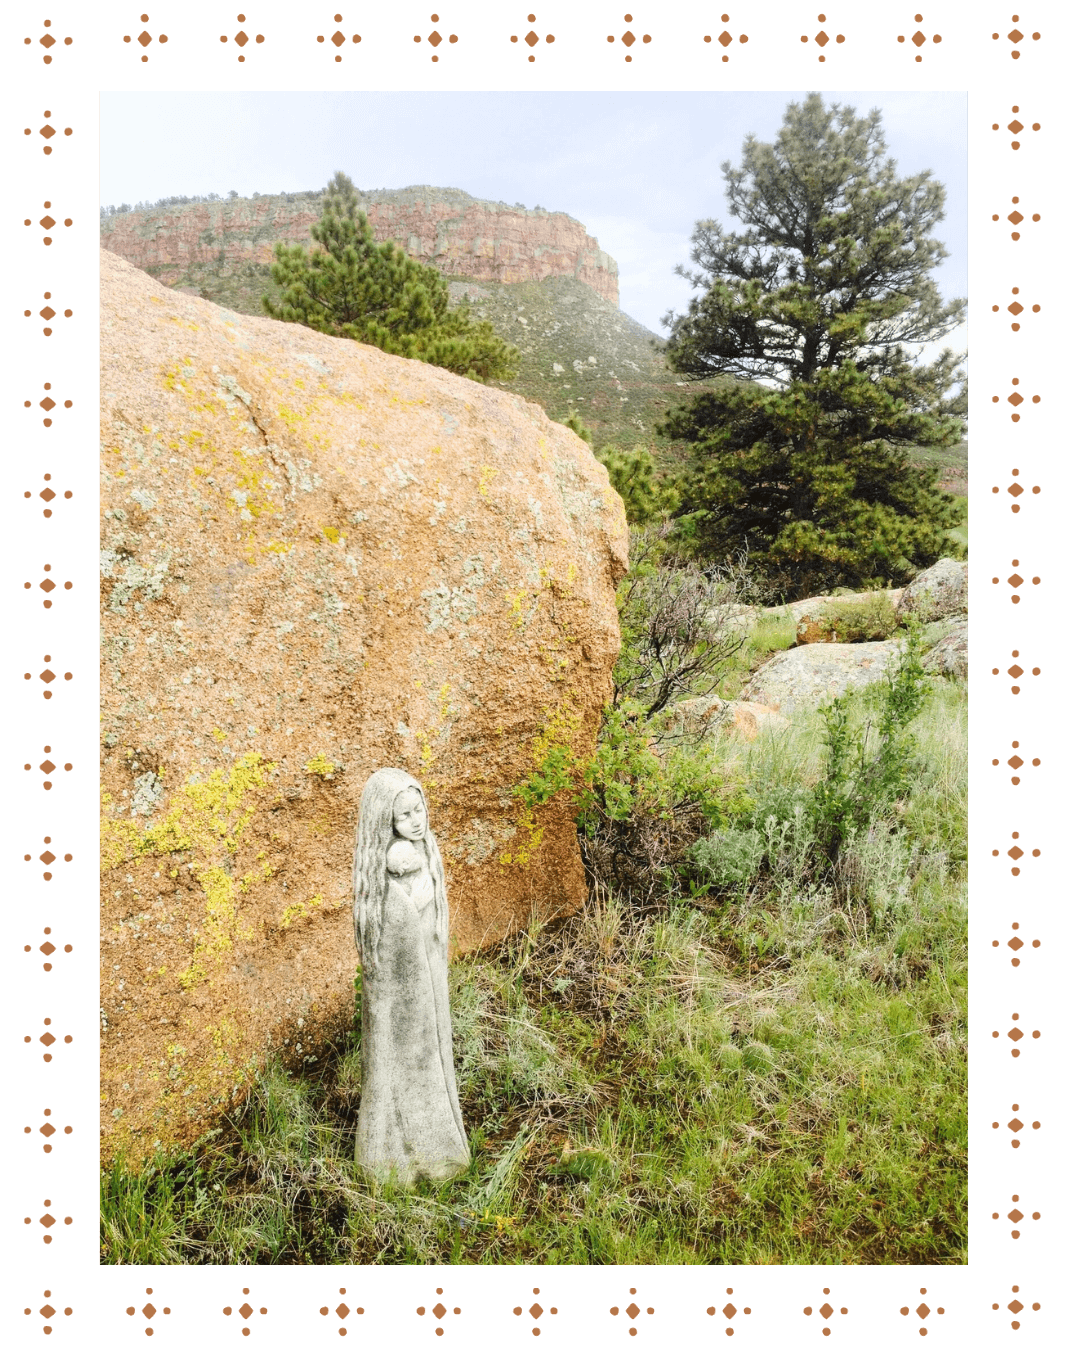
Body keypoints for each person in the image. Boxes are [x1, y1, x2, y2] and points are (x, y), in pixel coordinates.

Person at [352, 767, 470, 1185]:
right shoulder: (385, 883)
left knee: (429, 1058)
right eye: (404, 816)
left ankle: (435, 1143)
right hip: (403, 1001)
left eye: (418, 810)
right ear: (385, 822)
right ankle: (401, 1155)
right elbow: (392, 945)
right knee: (403, 1063)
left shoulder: (425, 857)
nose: (416, 821)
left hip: (428, 989)